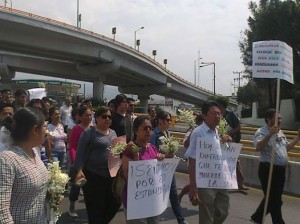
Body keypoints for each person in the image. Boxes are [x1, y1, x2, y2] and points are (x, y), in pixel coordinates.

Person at [185, 100, 232, 224]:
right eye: (213, 113)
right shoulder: (198, 132)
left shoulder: (218, 132)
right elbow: (192, 159)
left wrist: (226, 143)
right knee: (207, 214)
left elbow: (221, 154)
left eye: (219, 113)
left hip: (220, 179)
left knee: (223, 210)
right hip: (205, 180)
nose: (217, 116)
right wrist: (193, 186)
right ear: (204, 115)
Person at [250, 108, 300, 224]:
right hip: (268, 170)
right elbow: (258, 147)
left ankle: (257, 217)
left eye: (281, 118)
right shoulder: (261, 131)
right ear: (269, 118)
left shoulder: (280, 132)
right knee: (275, 200)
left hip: (280, 171)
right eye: (278, 118)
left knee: (272, 199)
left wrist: (297, 138)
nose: (280, 120)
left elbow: (286, 148)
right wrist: (270, 134)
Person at [0, 108, 48, 223]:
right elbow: (2, 210)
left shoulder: (34, 152)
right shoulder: (7, 159)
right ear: (34, 130)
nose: (46, 131)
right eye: (44, 126)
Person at [74, 106, 120, 224]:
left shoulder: (113, 133)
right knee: (95, 209)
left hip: (111, 176)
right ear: (97, 118)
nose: (107, 119)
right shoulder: (89, 132)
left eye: (109, 117)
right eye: (104, 116)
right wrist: (79, 170)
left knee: (114, 204)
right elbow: (80, 153)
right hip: (93, 176)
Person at [121, 115, 166, 223]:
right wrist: (136, 158)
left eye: (150, 128)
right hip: (135, 203)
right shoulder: (129, 150)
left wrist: (162, 159)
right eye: (145, 128)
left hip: (152, 201)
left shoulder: (153, 149)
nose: (148, 131)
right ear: (136, 130)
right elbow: (127, 177)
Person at [149, 111, 188, 224]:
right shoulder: (153, 134)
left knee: (173, 194)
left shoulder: (167, 133)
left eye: (170, 120)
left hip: (168, 169)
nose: (169, 122)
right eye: (167, 120)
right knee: (158, 195)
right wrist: (165, 155)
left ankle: (180, 219)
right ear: (160, 121)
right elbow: (151, 152)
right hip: (158, 170)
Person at [216, 97, 249, 190]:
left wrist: (229, 134)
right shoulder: (218, 116)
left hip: (231, 140)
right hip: (221, 141)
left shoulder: (230, 114)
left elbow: (238, 127)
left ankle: (240, 182)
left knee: (235, 161)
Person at [68, 105, 93, 218]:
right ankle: (72, 206)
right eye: (86, 115)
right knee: (76, 187)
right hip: (79, 163)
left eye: (90, 115)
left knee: (91, 188)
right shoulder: (76, 129)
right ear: (80, 117)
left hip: (92, 163)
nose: (89, 117)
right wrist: (76, 163)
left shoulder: (94, 128)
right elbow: (72, 146)